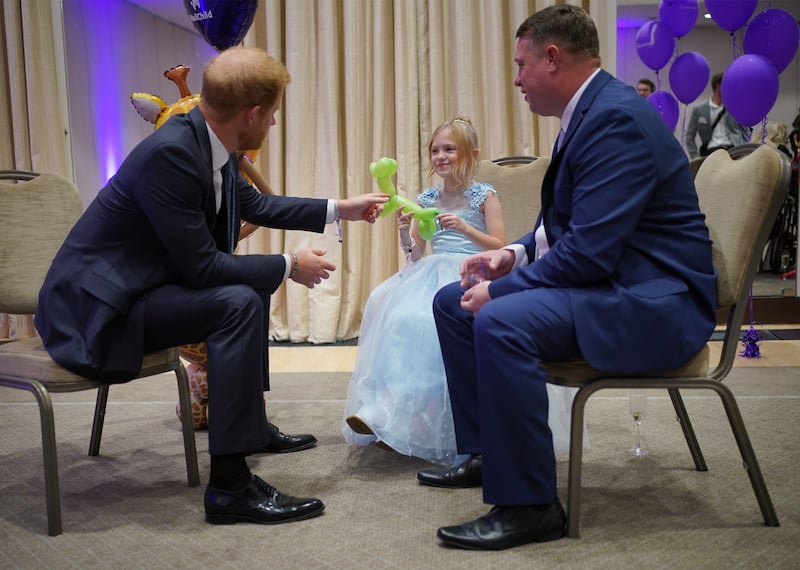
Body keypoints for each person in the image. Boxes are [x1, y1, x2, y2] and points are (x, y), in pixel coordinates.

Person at [34, 46, 388, 526]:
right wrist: (288, 264)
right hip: (98, 313)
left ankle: (251, 428)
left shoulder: (208, 139)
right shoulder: (173, 154)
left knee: (247, 287)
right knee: (237, 299)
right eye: (275, 114)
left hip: (140, 290)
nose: (275, 124)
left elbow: (257, 206)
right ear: (254, 114)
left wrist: (339, 209)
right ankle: (229, 488)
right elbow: (203, 269)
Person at [420, 5, 717, 551]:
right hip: (616, 283)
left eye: (520, 64)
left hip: (654, 303)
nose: (515, 79)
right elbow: (560, 229)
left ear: (551, 58)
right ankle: (488, 453)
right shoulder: (589, 113)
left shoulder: (615, 119)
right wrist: (510, 257)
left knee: (501, 320)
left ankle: (531, 505)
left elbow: (589, 255)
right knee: (450, 302)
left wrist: (503, 290)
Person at [342, 117, 507, 465]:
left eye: (449, 149)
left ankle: (420, 417)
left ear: (470, 155)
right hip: (431, 269)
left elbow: (499, 245)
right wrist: (405, 232)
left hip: (470, 270)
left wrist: (464, 226)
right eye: (435, 150)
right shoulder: (427, 197)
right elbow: (416, 253)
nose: (441, 156)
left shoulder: (484, 195)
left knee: (425, 321)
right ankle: (387, 411)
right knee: (394, 312)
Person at [685, 72, 749, 158]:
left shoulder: (734, 107)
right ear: (718, 86)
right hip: (711, 152)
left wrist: (744, 151)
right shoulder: (699, 110)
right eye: (727, 85)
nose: (730, 89)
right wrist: (695, 156)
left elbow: (744, 131)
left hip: (733, 149)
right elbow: (689, 136)